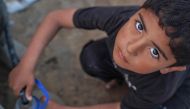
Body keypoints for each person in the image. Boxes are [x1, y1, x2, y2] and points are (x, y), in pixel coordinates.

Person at [8, 0, 190, 109]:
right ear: (139, 10)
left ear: (171, 67)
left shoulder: (160, 88)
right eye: (139, 26)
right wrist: (26, 65)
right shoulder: (122, 17)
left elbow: (120, 107)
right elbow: (56, 18)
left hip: (170, 95)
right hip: (140, 77)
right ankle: (121, 79)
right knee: (91, 58)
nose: (130, 48)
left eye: (154, 51)